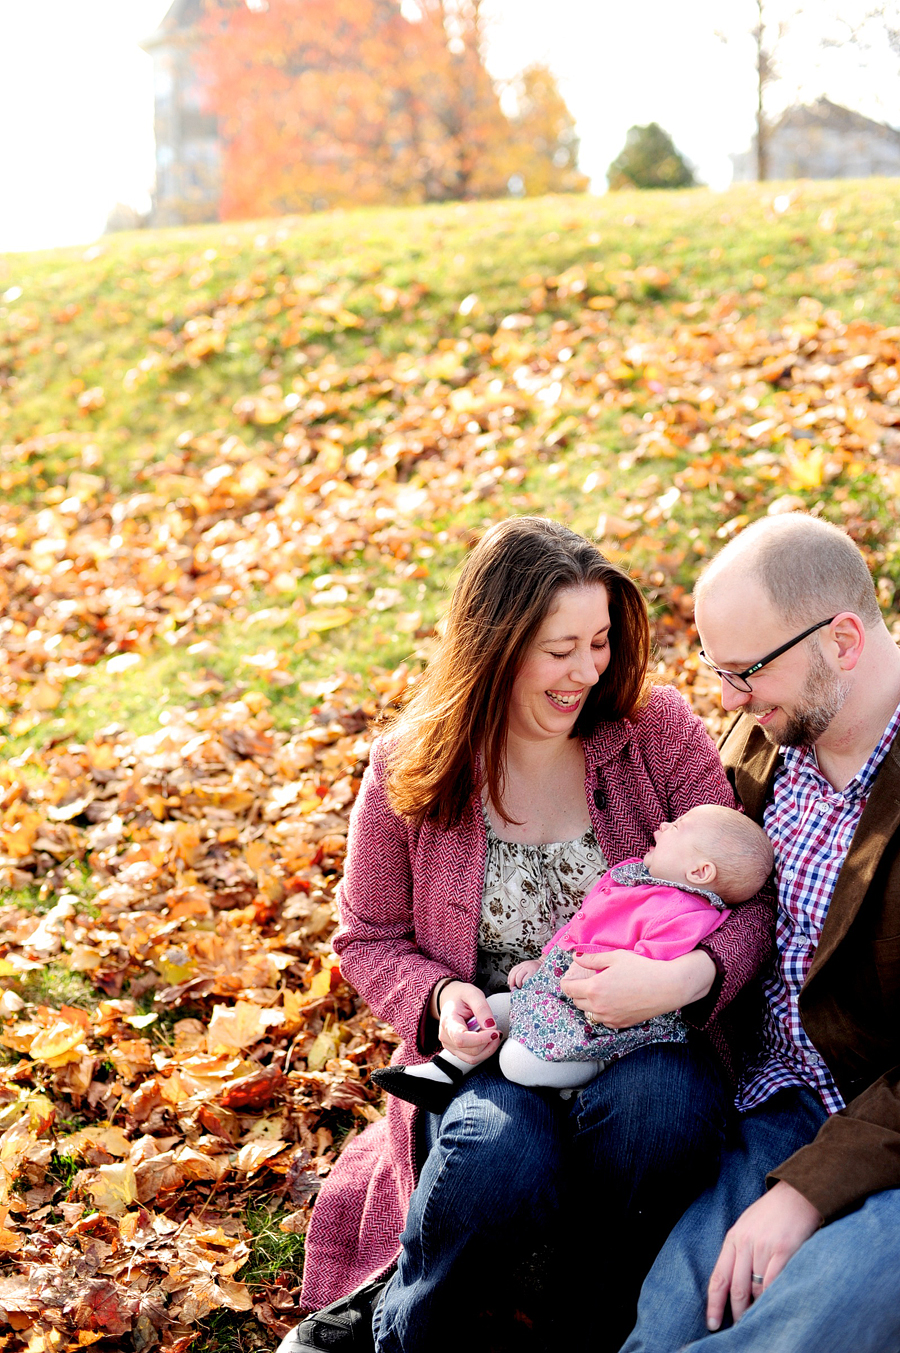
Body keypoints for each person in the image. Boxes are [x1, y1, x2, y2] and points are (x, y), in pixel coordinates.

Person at [280, 517, 773, 1353]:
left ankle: (599, 1313)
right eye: (559, 649)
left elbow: (751, 893)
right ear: (496, 647)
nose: (586, 671)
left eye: (600, 641)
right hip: (499, 1051)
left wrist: (686, 979)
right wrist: (440, 995)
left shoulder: (656, 734)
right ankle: (401, 1326)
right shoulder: (412, 765)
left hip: (643, 1038)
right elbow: (367, 936)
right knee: (498, 1153)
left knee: (665, 1112)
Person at [622, 511, 900, 1353]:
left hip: (882, 1125)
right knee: (668, 1325)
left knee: (815, 1319)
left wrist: (810, 1190)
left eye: (745, 671)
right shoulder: (769, 735)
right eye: (718, 669)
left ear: (843, 641)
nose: (729, 699)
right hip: (771, 1105)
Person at [373, 804, 773, 1108]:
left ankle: (588, 1071)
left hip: (602, 1024)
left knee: (517, 1063)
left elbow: (649, 972)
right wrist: (543, 961)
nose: (665, 824)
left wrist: (608, 977)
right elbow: (582, 924)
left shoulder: (687, 915)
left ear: (700, 872)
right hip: (556, 992)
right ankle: (443, 1071)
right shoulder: (635, 880)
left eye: (679, 827)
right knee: (495, 1006)